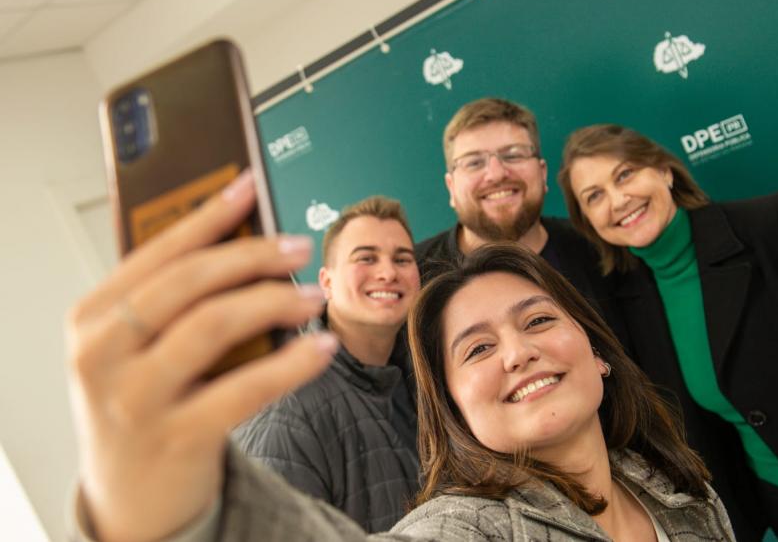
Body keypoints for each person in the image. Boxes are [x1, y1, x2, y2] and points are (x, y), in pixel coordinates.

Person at [67, 174, 734, 541]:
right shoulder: (468, 529)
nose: (518, 352)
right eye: (477, 347)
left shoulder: (681, 490)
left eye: (537, 320)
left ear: (599, 353)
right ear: (455, 408)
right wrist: (165, 511)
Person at [557, 124, 778, 542]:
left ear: (665, 171)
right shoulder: (631, 303)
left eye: (625, 174)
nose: (618, 200)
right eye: (594, 196)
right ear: (588, 222)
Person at [232, 196, 421, 532]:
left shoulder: (421, 381)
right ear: (326, 282)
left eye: (402, 259)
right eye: (366, 258)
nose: (388, 272)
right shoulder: (288, 408)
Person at [416, 99, 614, 322]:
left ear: (543, 174)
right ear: (451, 187)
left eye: (513, 155)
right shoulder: (413, 277)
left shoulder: (601, 250)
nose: (496, 174)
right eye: (473, 163)